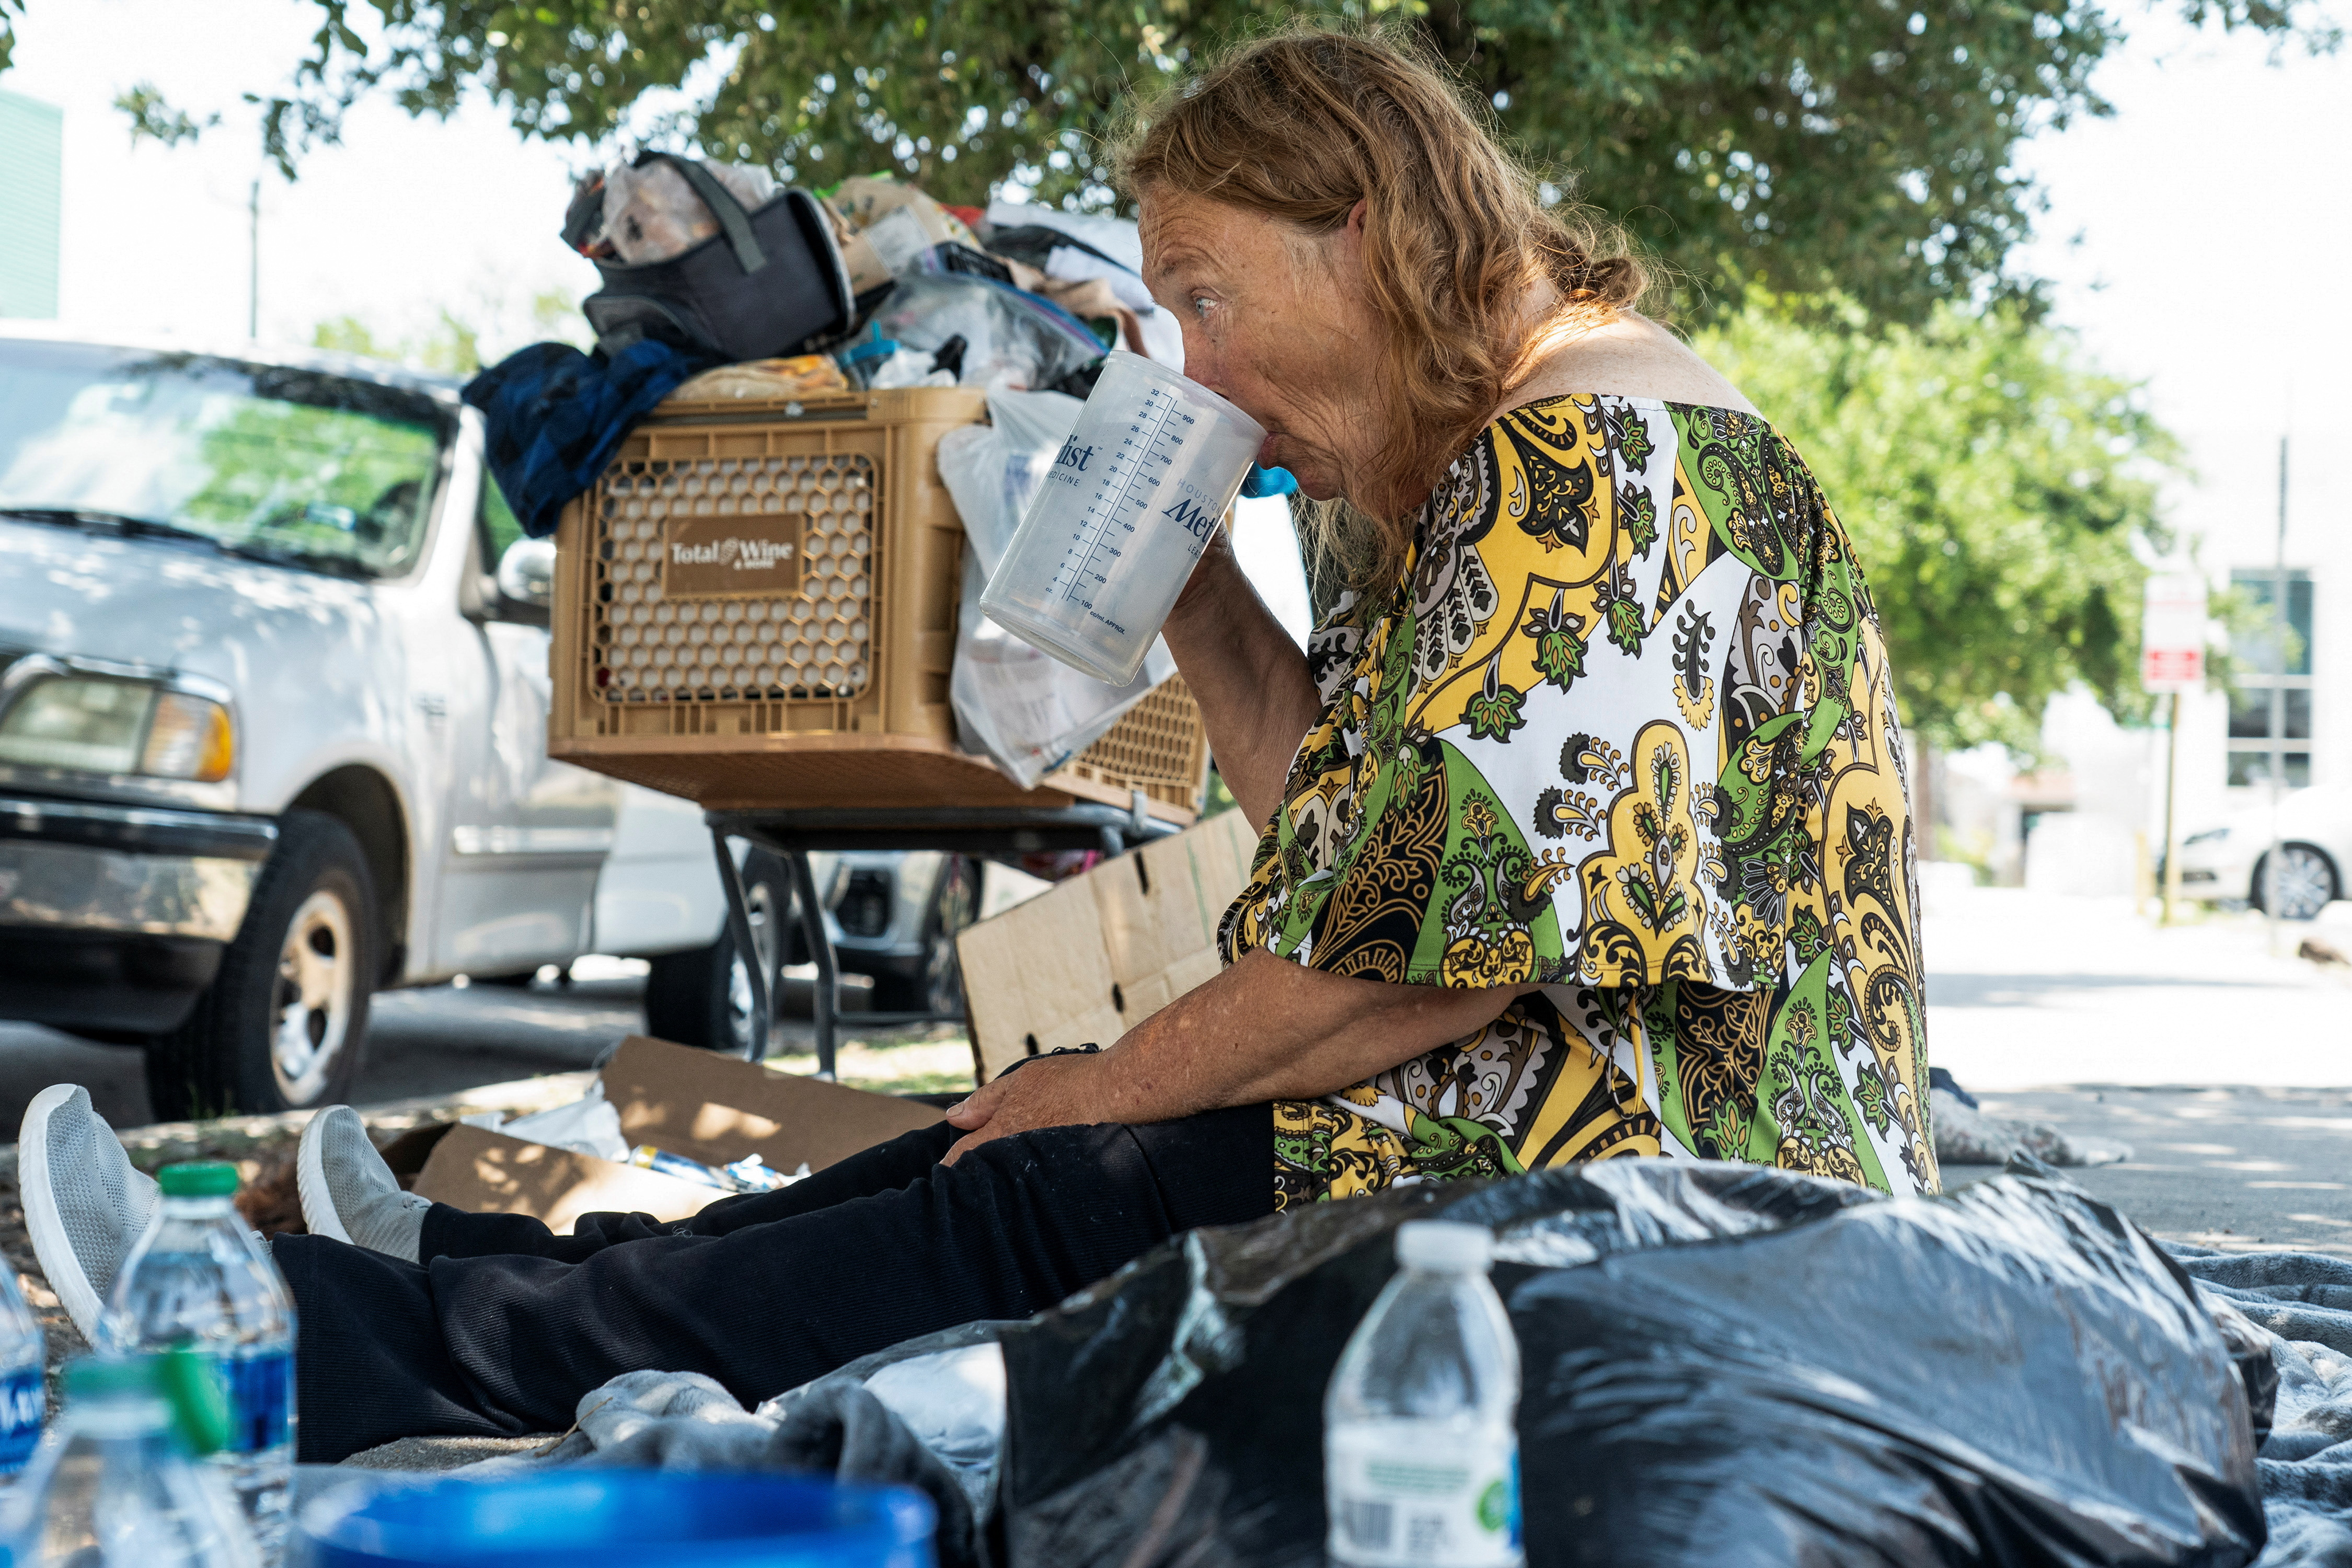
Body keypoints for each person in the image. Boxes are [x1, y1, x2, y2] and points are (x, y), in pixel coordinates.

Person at [18, 26, 1932, 1464]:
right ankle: (479, 1290)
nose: (1193, 357)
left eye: (1204, 294)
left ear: (1361, 229)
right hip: (1555, 1135)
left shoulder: (1580, 462)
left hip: (1663, 1198)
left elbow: (1399, 978)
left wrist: (1107, 1090)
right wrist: (1189, 584)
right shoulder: (1499, 460)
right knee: (1004, 1136)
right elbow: (1349, 859)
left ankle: (311, 1339)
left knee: (1048, 1169)